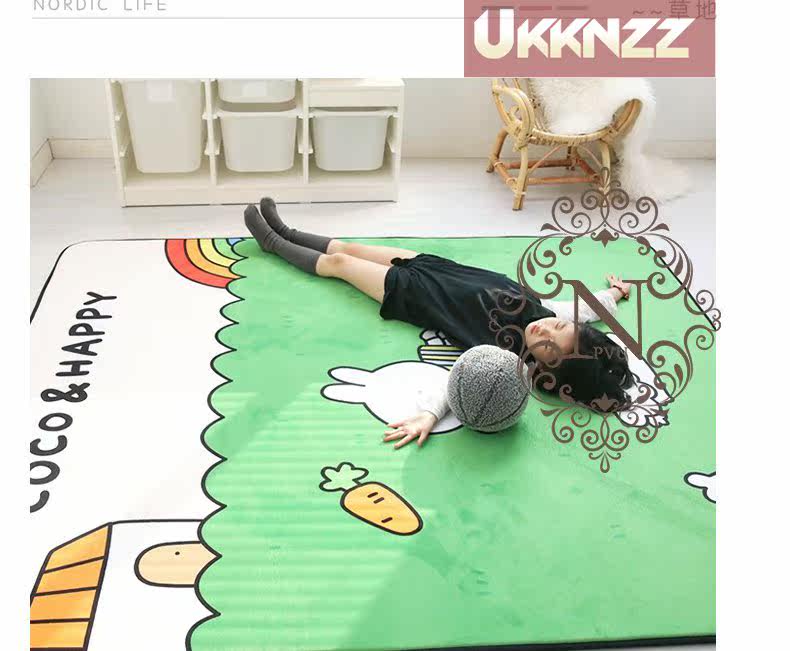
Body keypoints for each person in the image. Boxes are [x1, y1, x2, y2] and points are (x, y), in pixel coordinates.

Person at [244, 198, 634, 450]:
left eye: (549, 345)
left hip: (415, 295)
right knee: (349, 246)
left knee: (340, 264)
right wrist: (615, 294)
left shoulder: (505, 360)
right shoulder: (551, 314)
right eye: (558, 329)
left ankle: (272, 244)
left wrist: (429, 416)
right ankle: (287, 232)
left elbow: (458, 383)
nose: (545, 331)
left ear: (545, 368)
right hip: (441, 269)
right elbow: (587, 309)